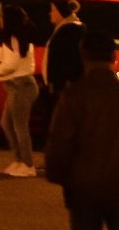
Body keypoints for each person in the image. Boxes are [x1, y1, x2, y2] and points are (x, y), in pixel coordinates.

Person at [46, 29, 119, 227]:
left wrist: (56, 174)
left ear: (83, 56)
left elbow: (60, 141)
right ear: (114, 57)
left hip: (83, 187)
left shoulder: (74, 95)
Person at [0, 3, 41, 177]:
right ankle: (19, 160)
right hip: (18, 86)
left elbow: (10, 64)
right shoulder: (20, 39)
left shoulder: (15, 39)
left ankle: (27, 164)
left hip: (22, 86)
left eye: (2, 17)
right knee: (7, 123)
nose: (0, 20)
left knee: (19, 126)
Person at [49, 0, 89, 98]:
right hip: (63, 84)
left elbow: (70, 58)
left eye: (53, 10)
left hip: (64, 86)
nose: (50, 13)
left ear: (60, 12)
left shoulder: (68, 31)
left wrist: (64, 81)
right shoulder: (65, 28)